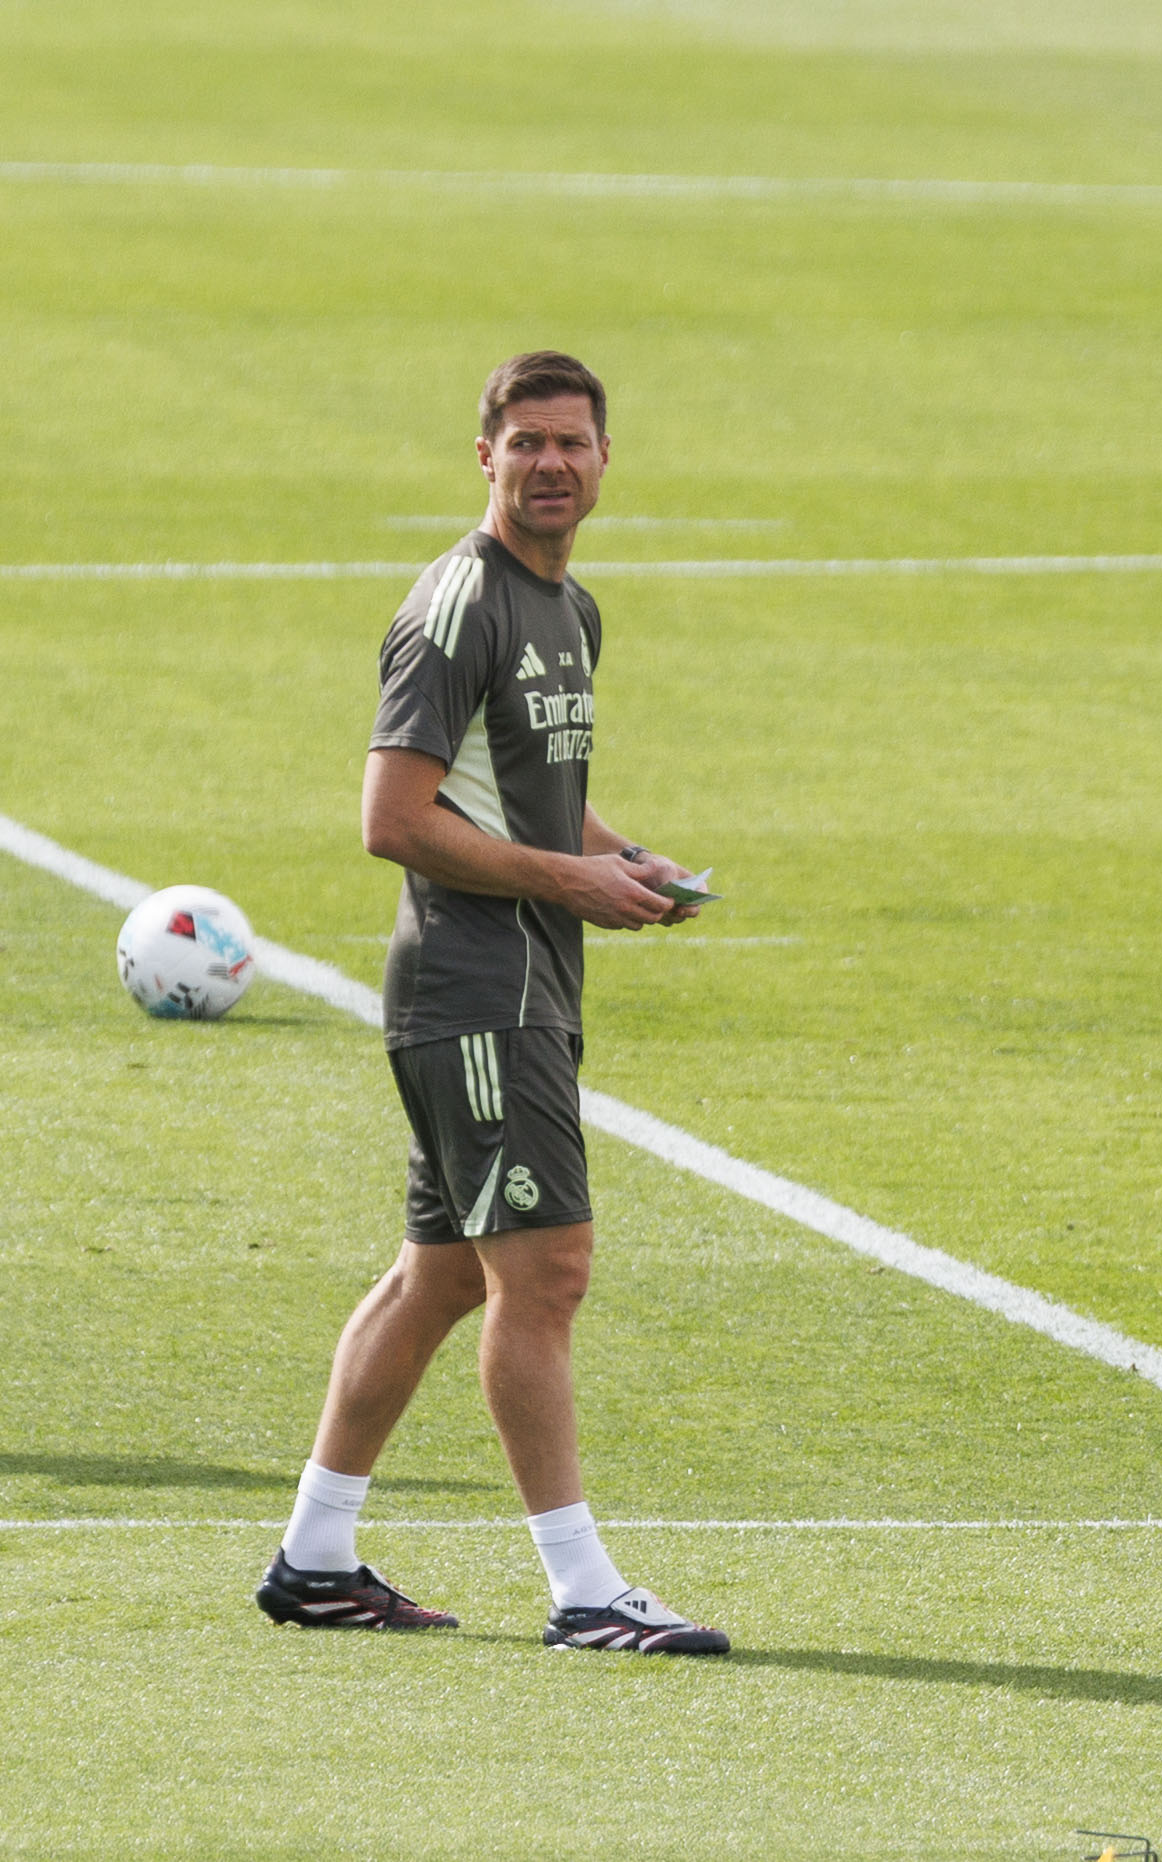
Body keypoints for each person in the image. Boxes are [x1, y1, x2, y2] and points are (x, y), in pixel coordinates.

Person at [253, 352, 728, 1654]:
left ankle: (315, 1555)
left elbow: (526, 787)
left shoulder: (568, 610)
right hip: (476, 995)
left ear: (606, 458)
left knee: (444, 1273)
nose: (551, 463)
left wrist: (624, 858)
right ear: (485, 458)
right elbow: (394, 818)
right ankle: (582, 1588)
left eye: (571, 442)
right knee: (547, 1271)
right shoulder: (458, 605)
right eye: (526, 442)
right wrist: (570, 882)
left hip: (516, 986)